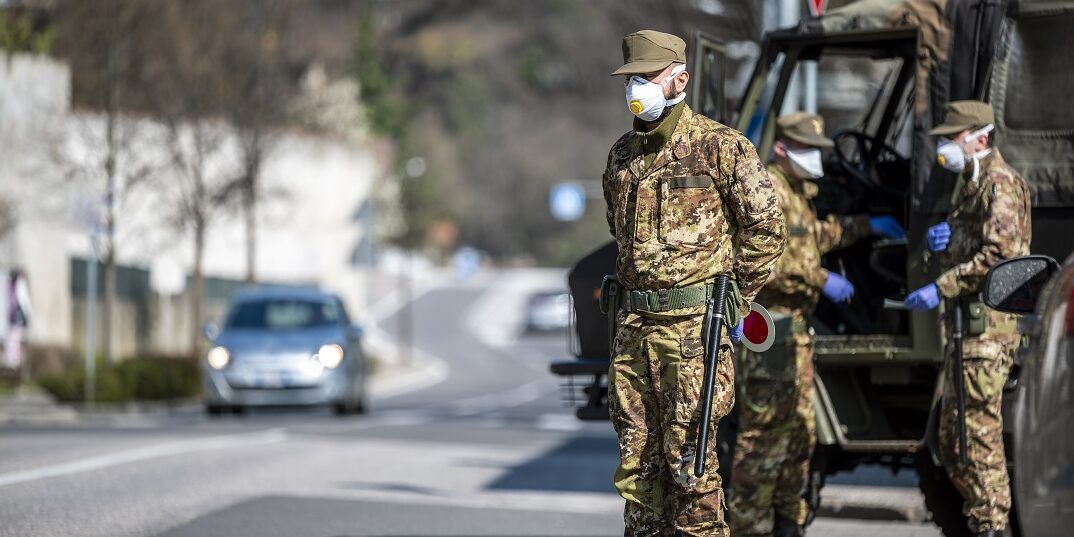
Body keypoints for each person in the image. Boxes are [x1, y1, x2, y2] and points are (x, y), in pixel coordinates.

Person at [602, 29, 786, 536]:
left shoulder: (721, 147)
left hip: (692, 334)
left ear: (680, 78)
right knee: (639, 476)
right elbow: (622, 239)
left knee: (692, 474)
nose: (637, 88)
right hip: (635, 332)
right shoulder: (622, 157)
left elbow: (767, 228)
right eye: (631, 78)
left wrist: (734, 299)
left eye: (647, 77)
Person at [727, 112, 906, 537]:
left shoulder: (796, 192)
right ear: (782, 149)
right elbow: (757, 262)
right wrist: (821, 279)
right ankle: (750, 527)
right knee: (763, 438)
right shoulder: (766, 188)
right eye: (808, 150)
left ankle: (789, 523)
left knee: (798, 437)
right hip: (768, 330)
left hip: (795, 333)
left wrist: (866, 226)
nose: (816, 159)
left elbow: (814, 239)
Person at [903, 100, 1031, 537]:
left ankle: (992, 527)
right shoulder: (972, 183)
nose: (946, 146)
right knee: (953, 443)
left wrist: (941, 286)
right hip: (965, 336)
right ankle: (982, 519)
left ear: (981, 136)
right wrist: (948, 239)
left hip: (987, 335)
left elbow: (1001, 255)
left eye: (953, 137)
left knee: (979, 445)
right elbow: (976, 244)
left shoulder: (999, 183)